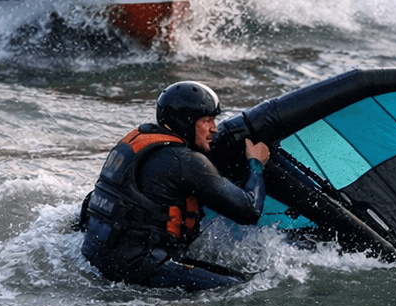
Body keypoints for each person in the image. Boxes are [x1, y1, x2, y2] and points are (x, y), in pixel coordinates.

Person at [78, 82, 270, 291]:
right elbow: (249, 210)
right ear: (186, 121)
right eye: (207, 120)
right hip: (136, 269)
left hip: (94, 258)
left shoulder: (135, 141)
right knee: (239, 286)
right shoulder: (186, 162)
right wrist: (256, 163)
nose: (214, 128)